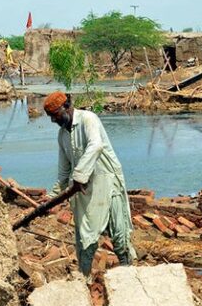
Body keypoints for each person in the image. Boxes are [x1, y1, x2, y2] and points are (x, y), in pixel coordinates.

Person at [43, 91, 135, 282]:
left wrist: (79, 176)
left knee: (120, 235)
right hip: (86, 189)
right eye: (51, 117)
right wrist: (51, 197)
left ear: (67, 107)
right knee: (85, 239)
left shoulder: (88, 119)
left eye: (55, 115)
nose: (53, 121)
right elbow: (63, 172)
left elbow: (96, 145)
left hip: (108, 182)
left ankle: (130, 277)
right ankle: (83, 281)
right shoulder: (62, 136)